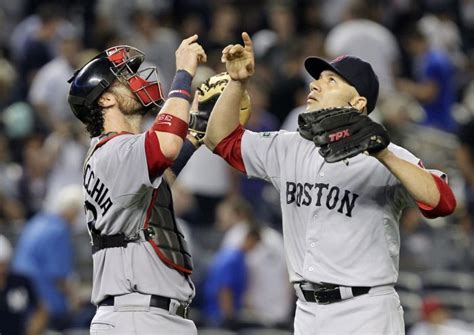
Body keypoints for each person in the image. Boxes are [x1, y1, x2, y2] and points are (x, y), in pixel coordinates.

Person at [204, 32, 457, 334]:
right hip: (307, 312)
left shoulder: (386, 155)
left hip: (366, 312)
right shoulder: (289, 147)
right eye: (317, 79)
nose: (315, 84)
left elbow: (442, 202)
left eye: (331, 81)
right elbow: (220, 139)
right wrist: (237, 82)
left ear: (358, 101)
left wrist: (384, 155)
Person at [67, 36, 206, 334]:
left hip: (141, 313)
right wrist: (183, 74)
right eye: (124, 77)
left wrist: (194, 134)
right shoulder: (114, 150)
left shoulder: (112, 152)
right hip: (136, 315)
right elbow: (167, 145)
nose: (136, 80)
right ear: (105, 98)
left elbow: (160, 181)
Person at [12, 184, 83, 331]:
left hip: (21, 295)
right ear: (70, 210)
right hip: (43, 301)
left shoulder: (37, 220)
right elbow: (58, 276)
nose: (77, 219)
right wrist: (75, 297)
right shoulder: (59, 230)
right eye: (77, 213)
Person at [0, 234, 48, 335]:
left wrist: (34, 328)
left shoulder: (20, 282)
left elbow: (41, 309)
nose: (2, 269)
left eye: (4, 264)